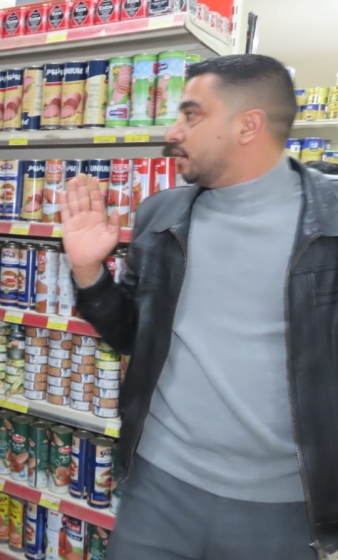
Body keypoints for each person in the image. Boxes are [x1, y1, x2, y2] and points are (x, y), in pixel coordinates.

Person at [60, 54, 338, 559]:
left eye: (191, 114)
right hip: (158, 486)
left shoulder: (330, 224)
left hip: (282, 506)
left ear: (248, 125)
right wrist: (87, 272)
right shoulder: (162, 215)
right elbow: (131, 335)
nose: (173, 132)